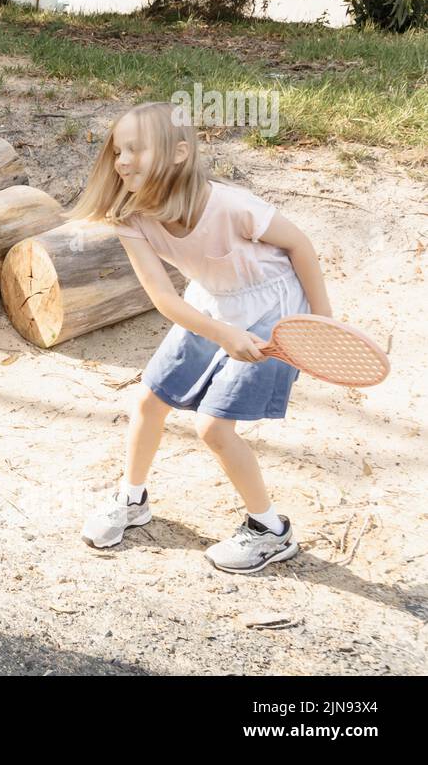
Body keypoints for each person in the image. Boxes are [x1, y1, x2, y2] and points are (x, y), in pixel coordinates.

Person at [66, 101, 333, 573]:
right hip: (211, 305)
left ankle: (270, 530)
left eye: (135, 149)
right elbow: (164, 298)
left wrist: (323, 326)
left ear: (179, 154)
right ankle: (132, 500)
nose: (121, 160)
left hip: (275, 310)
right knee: (149, 401)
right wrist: (221, 331)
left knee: (213, 427)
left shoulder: (231, 206)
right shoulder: (131, 217)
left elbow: (300, 245)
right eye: (117, 151)